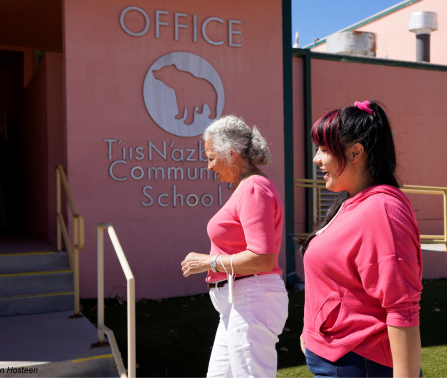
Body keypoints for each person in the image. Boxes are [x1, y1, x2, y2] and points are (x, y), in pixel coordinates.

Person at [299, 101, 423, 378]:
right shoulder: (351, 202)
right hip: (338, 357)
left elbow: (402, 307)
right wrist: (312, 329)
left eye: (324, 149)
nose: (317, 159)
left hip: (360, 363)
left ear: (355, 152)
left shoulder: (381, 210)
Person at [180, 115, 289, 378]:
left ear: (231, 154)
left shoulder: (253, 188)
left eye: (211, 157)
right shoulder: (246, 187)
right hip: (239, 302)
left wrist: (209, 262)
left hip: (250, 299)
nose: (208, 166)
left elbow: (262, 258)